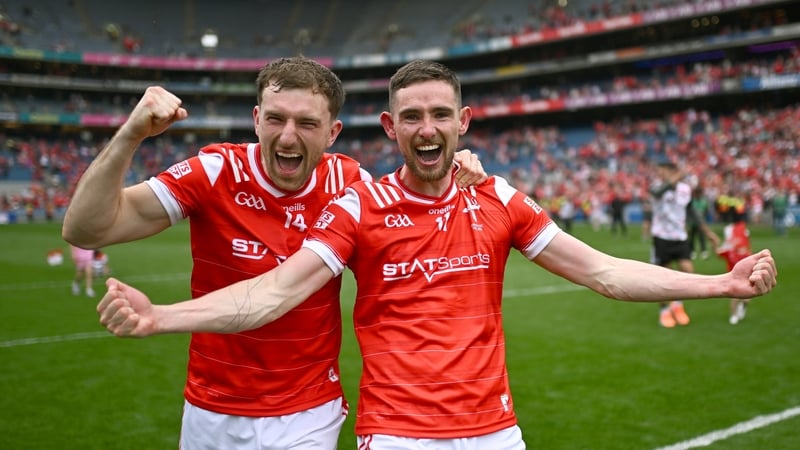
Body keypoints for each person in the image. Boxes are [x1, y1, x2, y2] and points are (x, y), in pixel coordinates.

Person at [96, 60, 777, 450]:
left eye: (440, 115)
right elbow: (272, 292)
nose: (428, 128)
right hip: (396, 434)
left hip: (496, 430)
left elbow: (601, 270)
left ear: (462, 123)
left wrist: (723, 284)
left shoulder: (500, 198)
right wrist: (161, 317)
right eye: (412, 117)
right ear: (390, 128)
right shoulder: (357, 207)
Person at [62, 56, 487, 450]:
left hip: (308, 410)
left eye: (306, 123)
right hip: (211, 406)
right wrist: (131, 134)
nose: (287, 136)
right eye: (276, 119)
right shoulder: (215, 172)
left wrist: (458, 172)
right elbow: (85, 228)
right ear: (256, 121)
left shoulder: (351, 183)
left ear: (332, 132)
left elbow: (419, 230)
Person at [648, 161, 719, 328]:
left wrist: (709, 234)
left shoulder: (684, 190)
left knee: (688, 271)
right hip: (661, 237)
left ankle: (677, 304)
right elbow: (659, 192)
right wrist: (677, 177)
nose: (661, 174)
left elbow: (693, 212)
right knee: (662, 278)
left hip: (680, 236)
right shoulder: (656, 187)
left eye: (664, 171)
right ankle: (664, 311)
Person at [714, 199, 752, 325]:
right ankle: (734, 315)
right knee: (735, 296)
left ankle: (743, 306)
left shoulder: (746, 254)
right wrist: (716, 245)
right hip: (734, 274)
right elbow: (719, 252)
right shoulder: (729, 251)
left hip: (746, 271)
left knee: (746, 297)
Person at [687, 186, 710, 259]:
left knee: (702, 237)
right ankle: (692, 252)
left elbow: (706, 212)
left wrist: (704, 221)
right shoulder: (691, 202)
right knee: (692, 238)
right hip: (692, 223)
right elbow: (689, 213)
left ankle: (704, 251)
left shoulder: (704, 202)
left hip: (701, 224)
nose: (698, 195)